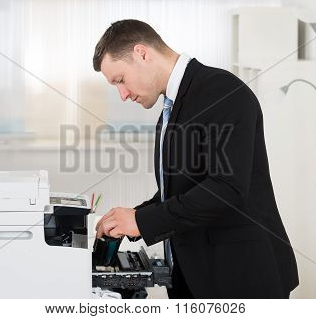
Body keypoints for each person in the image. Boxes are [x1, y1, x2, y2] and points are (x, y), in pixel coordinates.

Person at [93, 19, 298, 298]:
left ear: (142, 53)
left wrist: (143, 220)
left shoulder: (223, 92)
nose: (123, 94)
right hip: (195, 273)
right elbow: (184, 188)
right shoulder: (173, 104)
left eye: (120, 80)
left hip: (239, 276)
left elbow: (226, 190)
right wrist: (134, 217)